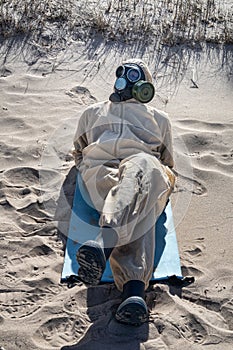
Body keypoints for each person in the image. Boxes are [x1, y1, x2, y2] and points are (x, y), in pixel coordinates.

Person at [73, 59, 175, 326]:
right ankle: (133, 291)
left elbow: (166, 163)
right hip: (102, 172)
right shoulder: (92, 113)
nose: (127, 80)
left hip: (143, 171)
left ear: (146, 85)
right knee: (138, 204)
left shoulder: (159, 119)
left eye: (134, 75)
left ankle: (104, 245)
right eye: (123, 73)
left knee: (141, 173)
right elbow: (80, 152)